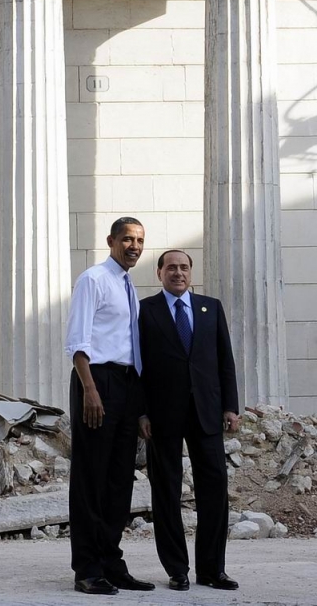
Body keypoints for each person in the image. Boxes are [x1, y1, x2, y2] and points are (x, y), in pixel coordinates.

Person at [138, 249, 240, 592]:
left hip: (207, 413)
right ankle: (177, 570)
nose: (178, 273)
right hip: (163, 416)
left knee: (214, 491)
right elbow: (137, 367)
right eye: (171, 268)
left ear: (191, 272)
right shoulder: (145, 311)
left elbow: (225, 360)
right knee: (166, 492)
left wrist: (231, 406)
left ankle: (212, 570)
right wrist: (142, 412)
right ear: (160, 273)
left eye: (184, 267)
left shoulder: (211, 308)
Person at [65, 217, 154, 595]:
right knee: (91, 477)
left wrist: (139, 404)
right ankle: (87, 568)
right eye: (127, 239)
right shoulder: (94, 279)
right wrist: (90, 389)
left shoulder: (128, 284)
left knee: (119, 479)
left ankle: (111, 562)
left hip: (126, 384)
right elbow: (78, 341)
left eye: (139, 240)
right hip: (96, 380)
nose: (134, 246)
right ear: (111, 241)